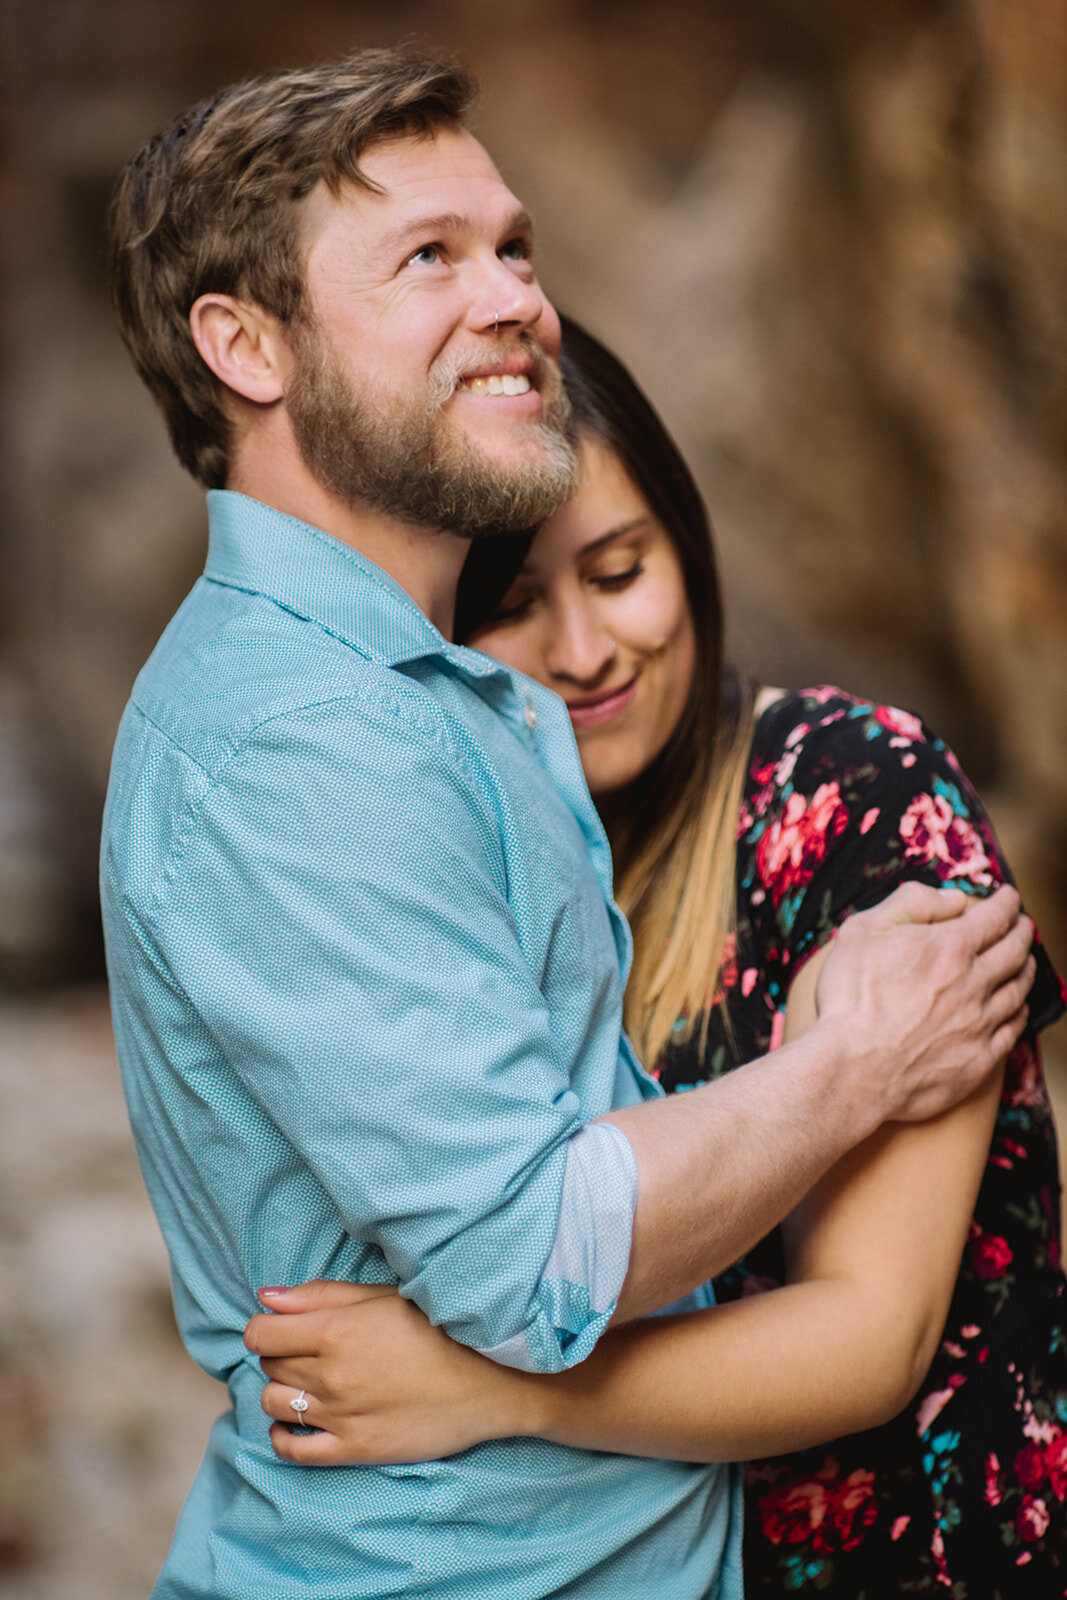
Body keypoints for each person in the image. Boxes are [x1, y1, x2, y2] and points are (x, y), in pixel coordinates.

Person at [101, 49, 1036, 1600]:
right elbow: (537, 1258)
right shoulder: (302, 741)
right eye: (428, 257)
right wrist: (855, 1063)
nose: (514, 299)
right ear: (243, 345)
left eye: (514, 247)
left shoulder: (419, 705)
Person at [244, 318, 1067, 1597]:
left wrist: (479, 1391)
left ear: (687, 543)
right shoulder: (459, 871)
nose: (584, 653)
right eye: (514, 606)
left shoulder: (854, 796)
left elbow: (872, 1336)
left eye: (622, 571)